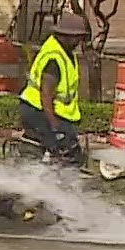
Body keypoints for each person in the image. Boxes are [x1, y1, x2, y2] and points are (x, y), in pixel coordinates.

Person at [18, 13, 88, 167]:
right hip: (37, 109)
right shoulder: (54, 58)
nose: (79, 41)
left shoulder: (65, 52)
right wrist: (56, 129)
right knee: (66, 149)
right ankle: (57, 184)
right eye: (77, 37)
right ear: (65, 36)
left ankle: (44, 176)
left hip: (48, 110)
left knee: (64, 148)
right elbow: (46, 95)